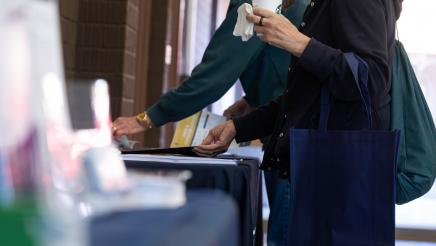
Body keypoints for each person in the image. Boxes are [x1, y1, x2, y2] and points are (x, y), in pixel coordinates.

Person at [195, 0, 402, 244]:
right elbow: (304, 95)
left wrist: (300, 43)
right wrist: (238, 127)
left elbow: (373, 80)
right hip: (323, 171)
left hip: (334, 175)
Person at [112, 0, 308, 245]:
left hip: (290, 137)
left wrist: (146, 119)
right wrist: (254, 97)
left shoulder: (256, 4)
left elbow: (212, 78)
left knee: (286, 235)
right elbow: (284, 66)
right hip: (300, 132)